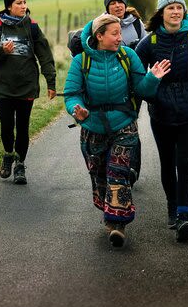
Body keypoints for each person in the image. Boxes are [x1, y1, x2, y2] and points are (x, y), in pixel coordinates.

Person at [63, 13, 170, 247]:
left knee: (118, 172)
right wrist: (77, 109)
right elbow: (72, 94)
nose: (120, 38)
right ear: (99, 36)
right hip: (93, 126)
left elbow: (142, 90)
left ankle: (117, 223)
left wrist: (153, 78)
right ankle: (109, 213)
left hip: (123, 124)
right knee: (99, 174)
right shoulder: (81, 61)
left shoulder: (127, 56)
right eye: (114, 34)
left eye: (121, 33)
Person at [135, 0, 188, 242]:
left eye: (179, 7)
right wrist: (153, 93)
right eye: (170, 8)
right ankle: (172, 206)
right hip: (160, 114)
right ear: (161, 13)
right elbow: (137, 78)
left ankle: (184, 215)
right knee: (167, 163)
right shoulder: (150, 43)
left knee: (186, 163)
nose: (176, 11)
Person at [0, 0, 56, 185]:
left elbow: (45, 56)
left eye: (24, 2)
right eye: (19, 3)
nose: (23, 6)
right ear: (9, 6)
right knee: (6, 126)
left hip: (26, 85)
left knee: (22, 127)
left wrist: (51, 81)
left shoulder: (32, 27)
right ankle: (8, 154)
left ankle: (20, 165)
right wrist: (1, 52)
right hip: (3, 86)